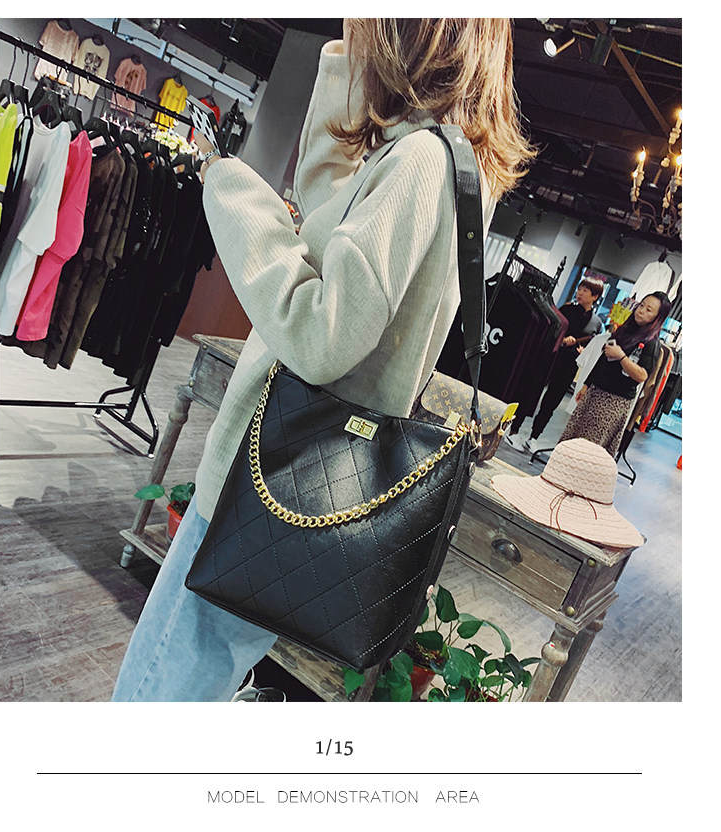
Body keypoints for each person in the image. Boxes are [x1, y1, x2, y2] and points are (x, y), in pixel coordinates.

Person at [111, 18, 535, 702]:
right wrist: (347, 70)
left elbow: (319, 334)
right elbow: (323, 217)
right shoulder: (453, 164)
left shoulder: (418, 163)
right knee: (197, 673)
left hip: (266, 472)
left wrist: (233, 191)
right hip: (303, 485)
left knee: (162, 688)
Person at [556, 291, 671, 458]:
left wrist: (621, 357)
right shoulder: (625, 331)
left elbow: (642, 376)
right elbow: (602, 359)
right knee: (572, 438)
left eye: (649, 310)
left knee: (590, 449)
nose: (641, 311)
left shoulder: (651, 344)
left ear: (657, 318)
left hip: (614, 402)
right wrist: (587, 384)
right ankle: (560, 470)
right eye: (641, 305)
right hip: (595, 392)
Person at [506, 276, 604, 453]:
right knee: (531, 392)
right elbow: (552, 330)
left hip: (570, 365)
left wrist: (583, 350)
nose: (580, 293)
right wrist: (562, 339)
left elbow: (593, 345)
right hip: (551, 358)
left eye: (585, 291)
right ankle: (514, 429)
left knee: (551, 402)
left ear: (595, 297)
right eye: (579, 288)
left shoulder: (596, 322)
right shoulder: (566, 309)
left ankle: (534, 437)